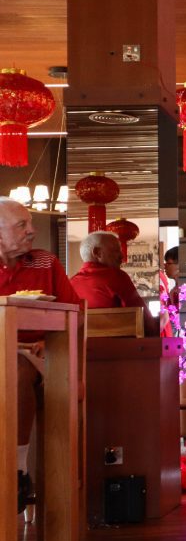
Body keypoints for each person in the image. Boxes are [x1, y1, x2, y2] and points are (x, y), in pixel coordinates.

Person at [0, 197, 80, 514]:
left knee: (16, 366)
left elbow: (76, 312)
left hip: (34, 355)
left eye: (30, 223)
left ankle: (17, 473)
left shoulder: (45, 262)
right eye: (22, 225)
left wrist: (52, 341)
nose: (32, 231)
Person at [71, 231, 157, 333]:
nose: (122, 256)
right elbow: (145, 321)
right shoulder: (118, 277)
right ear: (97, 252)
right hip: (119, 345)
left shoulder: (71, 283)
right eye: (116, 251)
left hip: (80, 346)